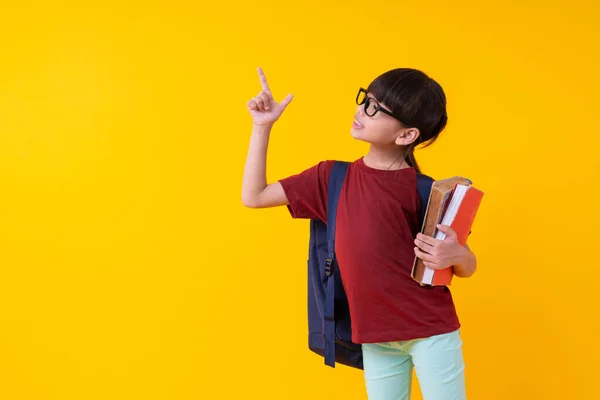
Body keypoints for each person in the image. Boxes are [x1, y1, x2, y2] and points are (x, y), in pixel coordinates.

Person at [242, 67, 477, 400]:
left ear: (407, 135)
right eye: (367, 99)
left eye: (377, 108)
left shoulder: (428, 191)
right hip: (374, 336)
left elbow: (466, 265)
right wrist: (262, 126)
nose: (362, 110)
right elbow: (254, 196)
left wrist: (457, 255)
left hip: (431, 331)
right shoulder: (330, 178)